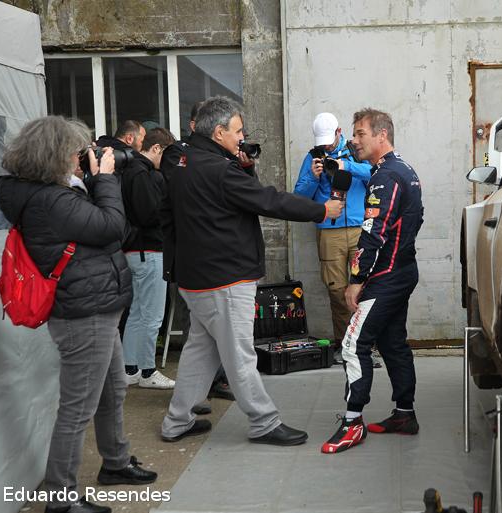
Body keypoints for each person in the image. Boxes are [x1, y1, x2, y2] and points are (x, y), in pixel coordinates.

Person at [160, 96, 344, 445]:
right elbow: (268, 200)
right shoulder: (219, 170)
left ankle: (176, 421)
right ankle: (264, 422)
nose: (242, 137)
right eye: (238, 131)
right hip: (225, 279)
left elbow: (168, 214)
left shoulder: (183, 161)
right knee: (240, 355)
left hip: (195, 278)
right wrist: (322, 211)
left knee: (200, 351)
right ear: (218, 132)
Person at [0, 116, 157, 513]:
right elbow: (112, 227)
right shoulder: (51, 200)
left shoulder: (54, 192)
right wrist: (104, 180)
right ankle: (60, 497)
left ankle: (115, 462)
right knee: (77, 407)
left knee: (113, 390)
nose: (79, 156)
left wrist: (93, 181)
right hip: (83, 313)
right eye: (73, 150)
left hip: (96, 305)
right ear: (54, 156)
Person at [321, 108, 424, 454]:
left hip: (387, 276)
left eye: (361, 133)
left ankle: (352, 423)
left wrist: (356, 279)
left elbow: (373, 233)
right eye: (354, 133)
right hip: (402, 270)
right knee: (393, 343)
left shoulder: (386, 177)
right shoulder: (404, 170)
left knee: (352, 345)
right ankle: (405, 414)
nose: (354, 140)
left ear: (382, 135)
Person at [160, 101, 234, 415]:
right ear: (195, 126)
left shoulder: (212, 160)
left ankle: (195, 398)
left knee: (205, 337)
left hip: (208, 260)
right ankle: (260, 415)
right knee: (200, 333)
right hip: (192, 261)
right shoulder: (178, 157)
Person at [293, 113, 372, 362]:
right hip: (329, 231)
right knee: (337, 289)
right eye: (322, 141)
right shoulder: (313, 156)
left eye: (330, 140)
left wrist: (344, 165)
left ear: (339, 132)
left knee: (365, 289)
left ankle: (365, 346)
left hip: (360, 229)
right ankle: (344, 343)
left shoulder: (354, 150)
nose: (327, 146)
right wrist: (314, 176)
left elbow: (375, 173)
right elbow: (300, 196)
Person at [120, 127, 177, 389]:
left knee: (138, 312)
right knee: (152, 315)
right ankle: (147, 371)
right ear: (156, 149)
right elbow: (149, 215)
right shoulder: (142, 173)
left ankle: (130, 368)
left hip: (137, 252)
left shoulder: (131, 171)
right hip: (150, 250)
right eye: (165, 156)